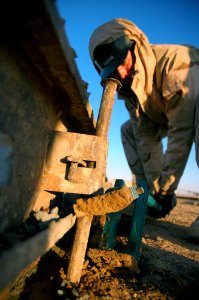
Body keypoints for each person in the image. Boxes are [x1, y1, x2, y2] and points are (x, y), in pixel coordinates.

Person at [88, 18, 199, 239]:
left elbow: (181, 132)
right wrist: (155, 192)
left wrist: (167, 189)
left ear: (133, 45)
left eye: (122, 60)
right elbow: (145, 137)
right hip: (166, 113)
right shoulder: (130, 88)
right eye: (112, 68)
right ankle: (144, 197)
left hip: (193, 104)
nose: (120, 72)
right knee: (128, 130)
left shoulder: (175, 64)